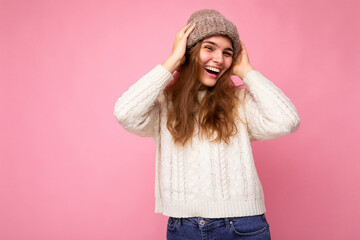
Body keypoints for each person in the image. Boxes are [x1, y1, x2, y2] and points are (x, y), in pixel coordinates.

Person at [113, 9, 300, 240]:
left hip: (243, 227)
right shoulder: (163, 104)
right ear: (189, 53)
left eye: (227, 52)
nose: (219, 59)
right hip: (184, 230)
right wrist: (172, 61)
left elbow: (288, 120)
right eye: (209, 48)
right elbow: (125, 113)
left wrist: (246, 71)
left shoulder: (239, 103)